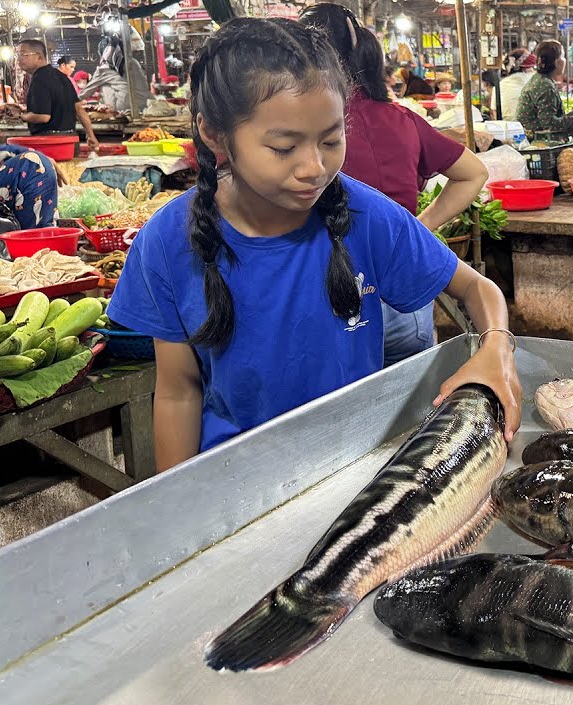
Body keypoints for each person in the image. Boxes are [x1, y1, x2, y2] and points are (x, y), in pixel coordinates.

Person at [107, 18, 520, 472]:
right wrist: (178, 512)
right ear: (214, 135)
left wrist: (495, 347)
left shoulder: (365, 215)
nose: (314, 168)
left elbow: (477, 289)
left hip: (353, 470)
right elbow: (178, 390)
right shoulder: (168, 241)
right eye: (284, 148)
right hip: (233, 478)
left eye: (331, 140)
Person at [300, 4, 490, 366]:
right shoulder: (402, 119)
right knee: (414, 406)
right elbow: (473, 173)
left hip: (336, 296)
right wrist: (418, 228)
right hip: (406, 293)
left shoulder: (307, 129)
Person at [9, 40, 99, 152]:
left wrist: (20, 116)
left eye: (23, 54)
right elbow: (79, 108)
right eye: (17, 55)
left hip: (51, 144)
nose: (18, 59)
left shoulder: (39, 79)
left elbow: (43, 117)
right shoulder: (62, 77)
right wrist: (91, 135)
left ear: (39, 57)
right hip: (71, 141)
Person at [517, 40, 573, 143]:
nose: (565, 60)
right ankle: (566, 152)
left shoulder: (540, 79)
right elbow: (549, 124)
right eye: (562, 56)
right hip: (537, 137)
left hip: (535, 130)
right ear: (555, 61)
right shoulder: (546, 86)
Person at [79, 36, 152, 115]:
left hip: (126, 106)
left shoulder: (104, 68)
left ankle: (110, 112)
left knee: (105, 85)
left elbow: (88, 91)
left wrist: (72, 101)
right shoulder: (133, 62)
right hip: (146, 103)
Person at [500, 51, 536, 121]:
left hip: (506, 126)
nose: (533, 70)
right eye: (532, 67)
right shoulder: (532, 81)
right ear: (525, 68)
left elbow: (494, 111)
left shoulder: (501, 84)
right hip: (528, 127)